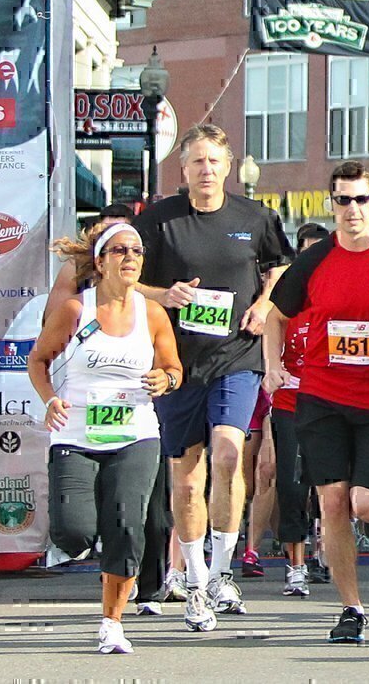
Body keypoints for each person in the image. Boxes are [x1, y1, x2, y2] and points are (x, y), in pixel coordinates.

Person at [264, 162, 369, 644]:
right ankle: (351, 609)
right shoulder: (314, 260)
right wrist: (274, 367)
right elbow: (276, 316)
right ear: (331, 203)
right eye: (343, 200)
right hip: (322, 395)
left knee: (368, 505)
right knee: (332, 501)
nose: (352, 209)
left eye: (361, 199)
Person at [134, 126, 291, 630]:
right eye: (196, 162)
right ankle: (196, 580)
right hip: (177, 361)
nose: (205, 170)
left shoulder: (255, 217)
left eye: (213, 162)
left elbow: (281, 266)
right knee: (186, 476)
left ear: (227, 167)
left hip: (235, 355)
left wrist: (265, 304)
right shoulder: (159, 221)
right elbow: (127, 280)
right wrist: (163, 296)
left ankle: (223, 571)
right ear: (182, 170)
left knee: (228, 453)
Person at [30, 218, 182, 653]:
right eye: (120, 251)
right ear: (100, 262)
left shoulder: (152, 314)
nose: (130, 258)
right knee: (74, 534)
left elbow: (174, 368)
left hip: (136, 434)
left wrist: (164, 381)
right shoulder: (75, 310)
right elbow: (38, 360)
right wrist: (49, 399)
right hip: (77, 434)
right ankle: (90, 539)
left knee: (127, 527)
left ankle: (112, 622)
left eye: (136, 252)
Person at [263, 222, 328, 598]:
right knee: (290, 484)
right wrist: (274, 368)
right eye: (307, 254)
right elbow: (271, 327)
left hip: (328, 401)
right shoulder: (287, 299)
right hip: (289, 402)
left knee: (329, 482)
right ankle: (296, 565)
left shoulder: (337, 294)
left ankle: (326, 550)